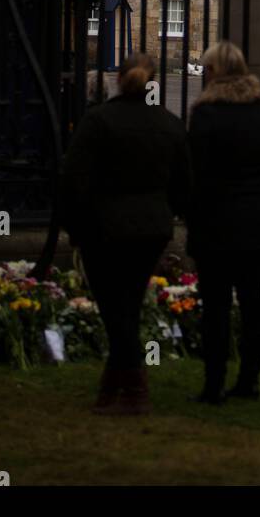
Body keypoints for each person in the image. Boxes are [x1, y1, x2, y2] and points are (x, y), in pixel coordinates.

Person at [58, 50, 192, 416]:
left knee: (115, 309)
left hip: (104, 228)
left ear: (119, 79)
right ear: (153, 81)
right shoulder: (169, 123)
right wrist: (170, 211)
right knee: (127, 305)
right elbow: (184, 184)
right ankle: (114, 385)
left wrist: (75, 226)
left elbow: (74, 180)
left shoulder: (98, 121)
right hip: (151, 228)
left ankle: (133, 387)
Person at [187, 41, 260, 403]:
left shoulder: (207, 114)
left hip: (216, 222)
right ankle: (249, 381)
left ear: (216, 72)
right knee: (253, 303)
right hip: (256, 221)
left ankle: (214, 385)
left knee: (215, 308)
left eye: (207, 68)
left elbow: (194, 171)